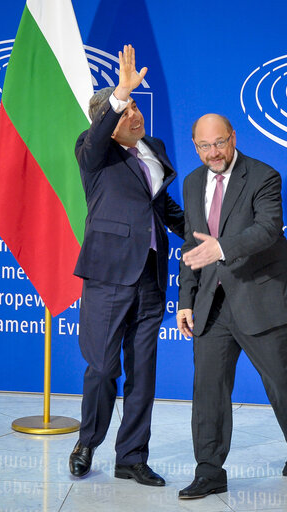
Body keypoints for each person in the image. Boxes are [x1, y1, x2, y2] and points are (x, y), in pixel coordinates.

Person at [176, 114, 287, 499]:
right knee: (208, 389)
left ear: (233, 137)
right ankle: (209, 470)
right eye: (204, 146)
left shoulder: (263, 176)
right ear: (195, 146)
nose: (213, 153)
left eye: (219, 143)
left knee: (282, 380)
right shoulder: (191, 183)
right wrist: (185, 300)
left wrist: (221, 248)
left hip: (261, 296)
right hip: (212, 304)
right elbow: (191, 246)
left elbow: (267, 229)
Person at [69, 45, 184, 486]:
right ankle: (86, 442)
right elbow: (99, 135)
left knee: (143, 373)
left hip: (151, 278)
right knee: (102, 367)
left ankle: (132, 456)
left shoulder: (150, 148)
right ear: (107, 120)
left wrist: (202, 234)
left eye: (136, 107)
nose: (136, 114)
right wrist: (120, 91)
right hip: (109, 275)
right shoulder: (92, 151)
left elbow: (162, 206)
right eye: (127, 110)